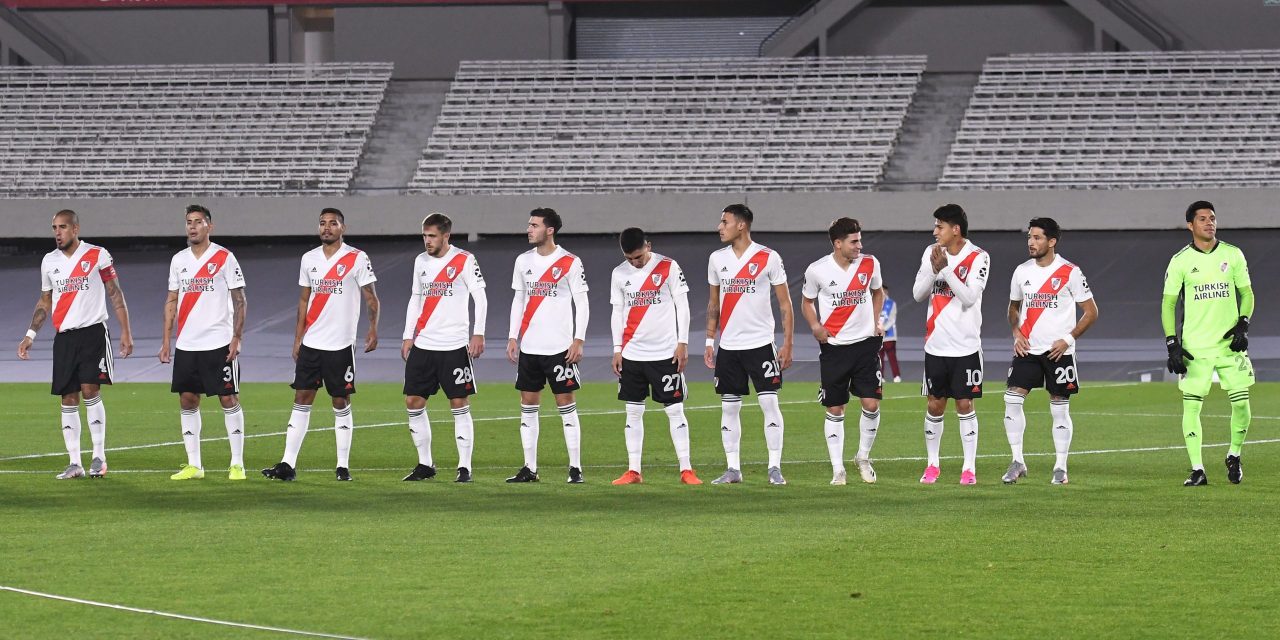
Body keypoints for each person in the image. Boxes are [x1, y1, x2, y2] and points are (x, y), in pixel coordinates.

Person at [263, 208, 379, 482]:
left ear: (343, 227)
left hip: (340, 345)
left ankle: (342, 466)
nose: (327, 227)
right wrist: (297, 338)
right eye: (322, 223)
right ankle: (287, 464)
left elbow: (371, 297)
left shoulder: (357, 258)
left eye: (333, 223)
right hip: (312, 343)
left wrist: (373, 329)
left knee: (340, 401)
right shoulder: (309, 259)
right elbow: (304, 300)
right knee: (301, 398)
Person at [18, 209, 134, 480]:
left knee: (90, 390)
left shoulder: (97, 254)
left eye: (62, 227)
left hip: (93, 333)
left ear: (75, 228)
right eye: (54, 228)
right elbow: (45, 301)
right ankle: (74, 463)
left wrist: (125, 331)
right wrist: (30, 335)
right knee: (67, 397)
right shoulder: (49, 261)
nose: (57, 232)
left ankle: (98, 457)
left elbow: (114, 292)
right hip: (65, 337)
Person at [1163, 200, 1254, 487]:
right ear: (1190, 225)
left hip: (1229, 345)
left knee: (1242, 404)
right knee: (1191, 407)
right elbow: (1168, 304)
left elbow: (1247, 294)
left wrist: (1243, 323)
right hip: (1195, 348)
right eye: (1202, 219)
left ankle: (1234, 455)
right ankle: (1197, 469)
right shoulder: (1180, 261)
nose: (1209, 222)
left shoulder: (1233, 254)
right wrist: (1172, 344)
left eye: (1212, 218)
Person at [1001, 217, 1098, 486]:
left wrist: (1068, 339)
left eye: (1037, 238)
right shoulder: (1021, 271)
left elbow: (1091, 312)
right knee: (1011, 400)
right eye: (1029, 238)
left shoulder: (1070, 272)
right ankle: (1017, 461)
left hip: (1059, 353)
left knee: (1059, 409)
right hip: (1028, 349)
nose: (1031, 243)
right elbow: (1013, 308)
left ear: (1051, 241)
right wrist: (1016, 332)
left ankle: (1060, 467)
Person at [158, 205, 249, 481]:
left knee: (228, 398)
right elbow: (172, 300)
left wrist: (237, 336)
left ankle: (237, 464)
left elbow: (240, 299)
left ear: (210, 226)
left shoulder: (224, 257)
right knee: (187, 400)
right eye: (189, 222)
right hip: (187, 344)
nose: (193, 227)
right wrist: (166, 340)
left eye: (198, 222)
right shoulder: (178, 260)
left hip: (219, 342)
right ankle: (194, 465)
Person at [705, 204, 794, 485]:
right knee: (729, 407)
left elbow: (785, 304)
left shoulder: (768, 257)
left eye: (724, 222)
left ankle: (774, 467)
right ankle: (733, 469)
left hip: (761, 344)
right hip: (729, 347)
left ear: (741, 225)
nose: (720, 227)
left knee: (769, 403)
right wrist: (710, 340)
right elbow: (713, 304)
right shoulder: (717, 259)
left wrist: (787, 343)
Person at [609, 227, 700, 485]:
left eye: (638, 257)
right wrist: (617, 349)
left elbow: (682, 304)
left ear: (648, 245)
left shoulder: (669, 267)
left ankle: (686, 469)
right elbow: (617, 313)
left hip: (665, 353)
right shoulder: (619, 274)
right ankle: (633, 470)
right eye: (629, 258)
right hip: (632, 354)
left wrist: (683, 342)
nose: (634, 262)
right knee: (633, 412)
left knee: (674, 410)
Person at [400, 213, 487, 483]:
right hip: (424, 344)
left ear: (446, 236)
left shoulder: (464, 260)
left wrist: (478, 333)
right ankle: (425, 463)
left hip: (454, 346)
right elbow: (416, 297)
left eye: (432, 236)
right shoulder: (420, 261)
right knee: (413, 402)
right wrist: (407, 335)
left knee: (459, 403)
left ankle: (464, 467)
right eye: (424, 236)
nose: (427, 241)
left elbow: (480, 297)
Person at [505, 208, 590, 483]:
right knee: (527, 406)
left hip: (559, 349)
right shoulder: (522, 261)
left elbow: (582, 302)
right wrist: (512, 336)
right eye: (529, 224)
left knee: (566, 405)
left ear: (550, 230)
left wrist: (578, 339)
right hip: (530, 348)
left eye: (534, 225)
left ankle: (575, 468)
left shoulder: (570, 262)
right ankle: (530, 468)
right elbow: (519, 300)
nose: (529, 229)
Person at [801, 217, 884, 485]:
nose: (860, 245)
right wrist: (815, 325)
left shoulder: (870, 264)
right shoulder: (817, 270)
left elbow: (878, 293)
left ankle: (863, 456)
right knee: (835, 408)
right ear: (838, 244)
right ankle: (838, 469)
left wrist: (875, 321)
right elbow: (806, 302)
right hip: (834, 348)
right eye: (854, 241)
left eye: (860, 240)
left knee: (871, 404)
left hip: (865, 346)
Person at [912, 204, 989, 485]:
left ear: (955, 229)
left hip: (966, 346)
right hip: (935, 345)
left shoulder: (979, 257)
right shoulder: (930, 254)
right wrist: (933, 270)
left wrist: (945, 270)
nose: (935, 232)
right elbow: (918, 294)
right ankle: (932, 464)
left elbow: (969, 298)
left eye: (939, 226)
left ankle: (969, 467)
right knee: (934, 405)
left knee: (965, 404)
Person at [878, 284, 901, 383]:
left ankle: (896, 376)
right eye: (880, 291)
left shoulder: (891, 303)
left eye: (884, 291)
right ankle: (881, 376)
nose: (882, 293)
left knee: (892, 356)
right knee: (879, 357)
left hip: (889, 335)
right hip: (878, 335)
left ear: (886, 292)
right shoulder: (875, 302)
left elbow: (892, 319)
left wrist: (884, 328)